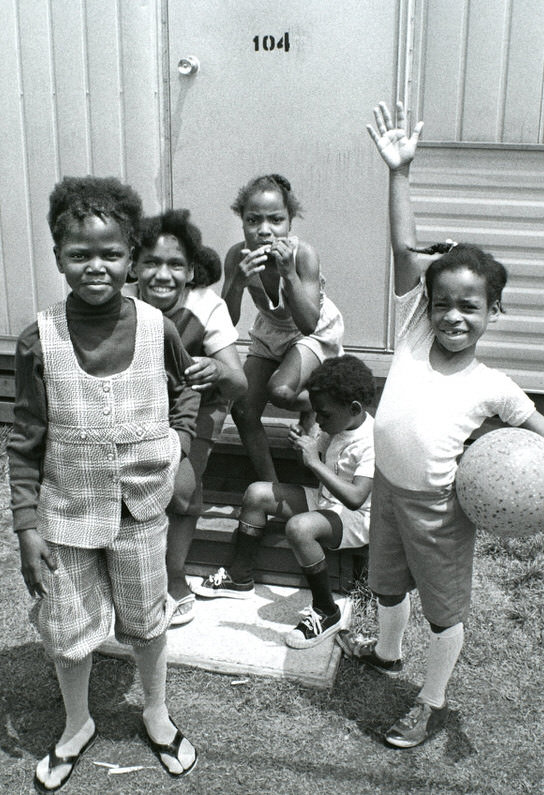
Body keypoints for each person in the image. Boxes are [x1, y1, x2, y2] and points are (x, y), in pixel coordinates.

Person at [336, 102, 544, 750]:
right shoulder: (415, 329)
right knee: (387, 586)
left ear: (492, 312)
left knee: (444, 611)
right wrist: (401, 172)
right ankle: (388, 654)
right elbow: (404, 250)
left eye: (469, 306)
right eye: (444, 302)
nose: (453, 315)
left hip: (439, 510)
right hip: (388, 489)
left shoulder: (492, 385)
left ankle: (431, 701)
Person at [7, 176, 200, 788]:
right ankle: (76, 724)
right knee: (69, 627)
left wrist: (179, 446)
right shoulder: (38, 340)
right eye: (79, 254)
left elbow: (185, 392)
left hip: (141, 512)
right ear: (59, 257)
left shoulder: (157, 328)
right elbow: (26, 437)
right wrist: (26, 525)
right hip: (65, 516)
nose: (96, 266)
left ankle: (156, 711)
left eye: (111, 253)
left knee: (146, 620)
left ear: (132, 257)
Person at [193, 355, 375, 649]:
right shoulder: (337, 425)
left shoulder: (370, 440)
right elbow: (322, 463)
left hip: (355, 518)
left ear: (353, 409)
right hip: (326, 502)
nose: (320, 421)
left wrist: (314, 462)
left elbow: (355, 499)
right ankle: (239, 575)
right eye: (316, 414)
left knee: (299, 528)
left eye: (324, 415)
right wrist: (307, 444)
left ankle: (326, 610)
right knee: (257, 493)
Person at [128, 210, 248, 627]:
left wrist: (214, 370)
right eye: (152, 262)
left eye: (175, 264)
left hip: (198, 408)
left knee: (181, 492)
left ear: (191, 271)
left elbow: (238, 381)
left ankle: (174, 574)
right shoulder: (119, 302)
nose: (163, 274)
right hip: (136, 409)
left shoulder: (205, 305)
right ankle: (133, 573)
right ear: (133, 265)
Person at [220, 173, 345, 482]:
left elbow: (307, 323)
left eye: (275, 220)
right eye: (253, 220)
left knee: (280, 391)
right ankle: (270, 488)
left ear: (290, 222)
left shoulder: (303, 256)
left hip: (313, 330)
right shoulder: (237, 255)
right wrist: (237, 282)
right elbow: (225, 322)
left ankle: (325, 402)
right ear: (243, 222)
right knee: (243, 409)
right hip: (272, 330)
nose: (264, 231)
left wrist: (288, 275)